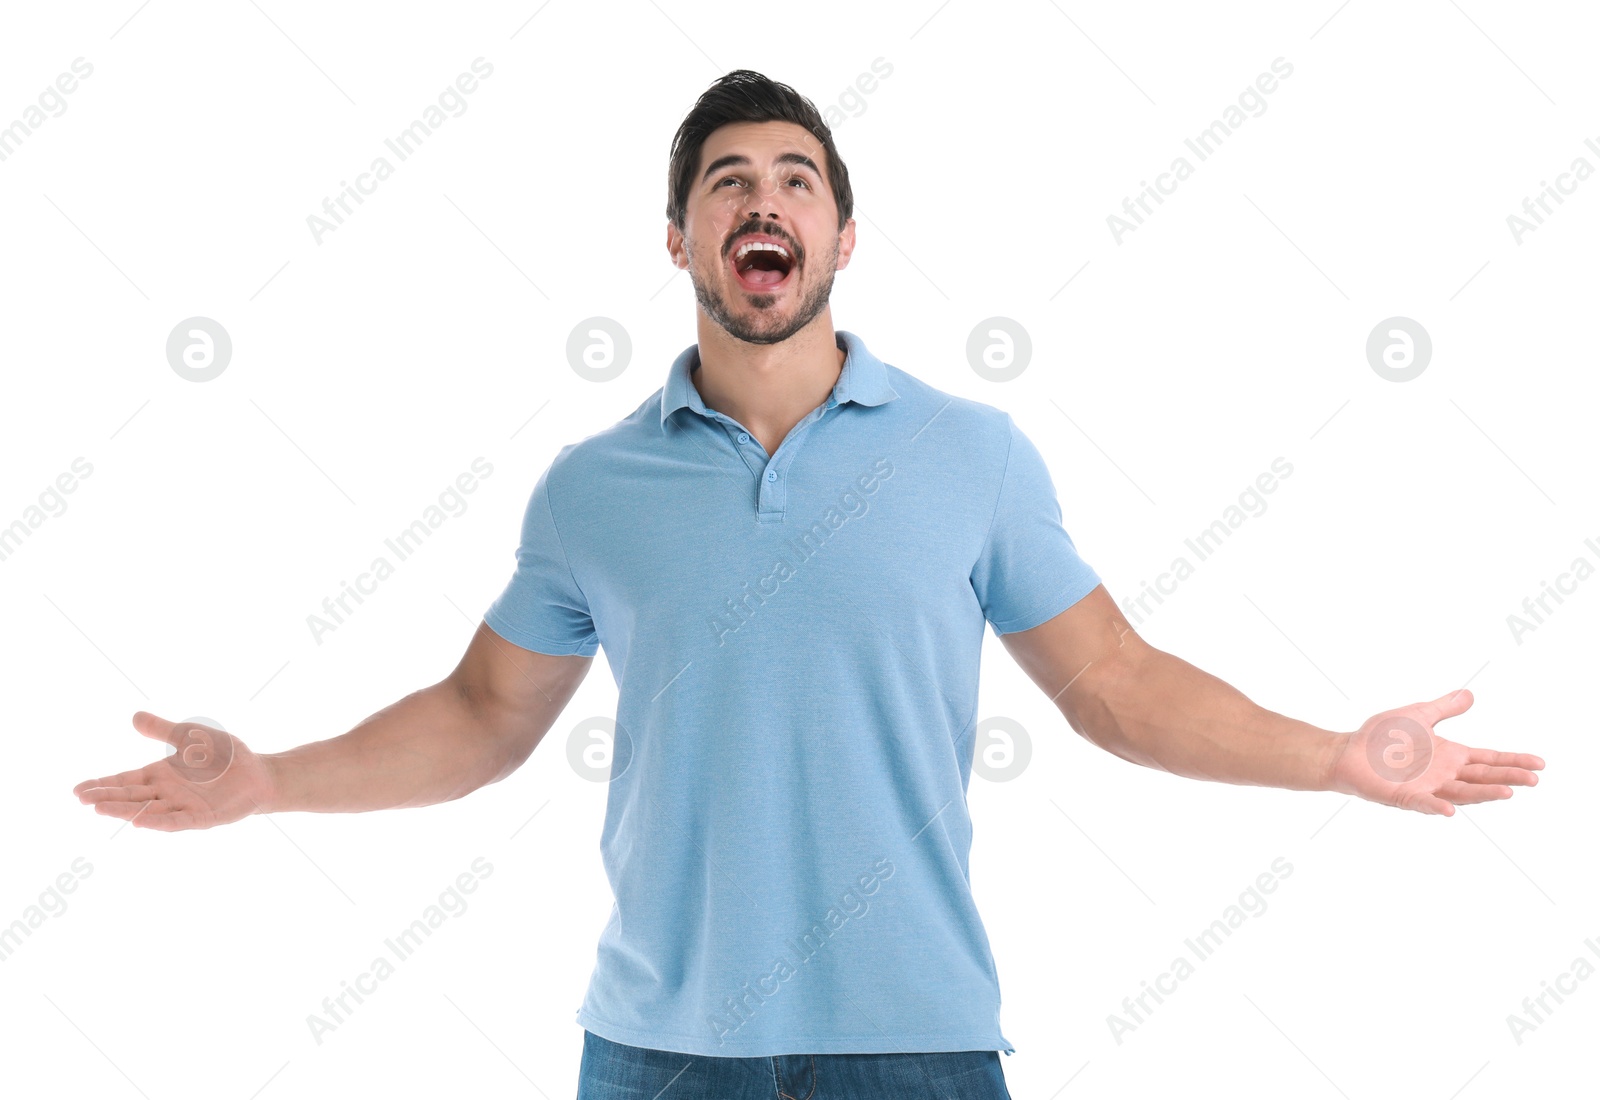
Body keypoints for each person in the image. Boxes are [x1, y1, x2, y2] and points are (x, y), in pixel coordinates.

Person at [74, 70, 1545, 1100]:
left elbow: (1113, 683)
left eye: (795, 182)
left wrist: (1335, 758)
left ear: (843, 236)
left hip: (917, 1048)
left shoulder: (971, 454)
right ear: (680, 244)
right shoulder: (593, 487)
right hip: (658, 1055)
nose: (759, 203)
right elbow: (479, 718)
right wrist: (268, 779)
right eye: (726, 185)